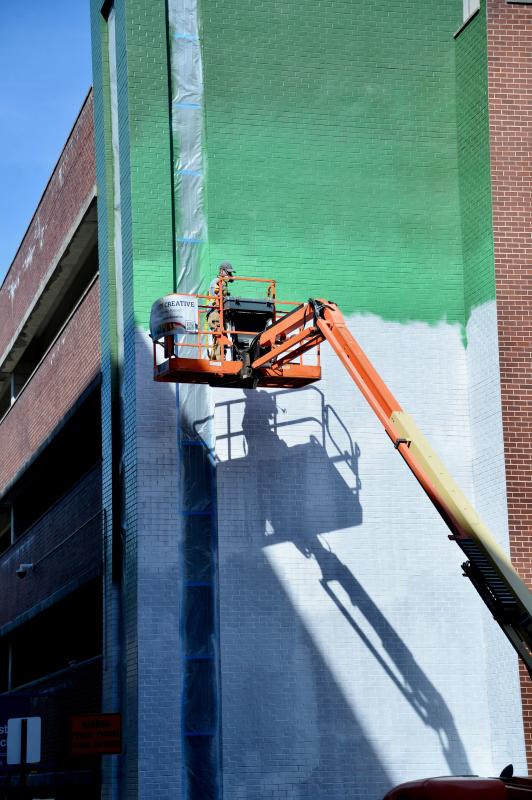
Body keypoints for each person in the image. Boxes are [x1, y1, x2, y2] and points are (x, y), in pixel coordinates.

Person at [207, 262, 235, 360]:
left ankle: (216, 358)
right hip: (215, 312)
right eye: (228, 273)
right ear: (222, 271)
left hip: (219, 313)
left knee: (221, 336)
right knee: (219, 335)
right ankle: (219, 360)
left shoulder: (222, 282)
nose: (230, 275)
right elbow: (219, 295)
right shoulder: (217, 281)